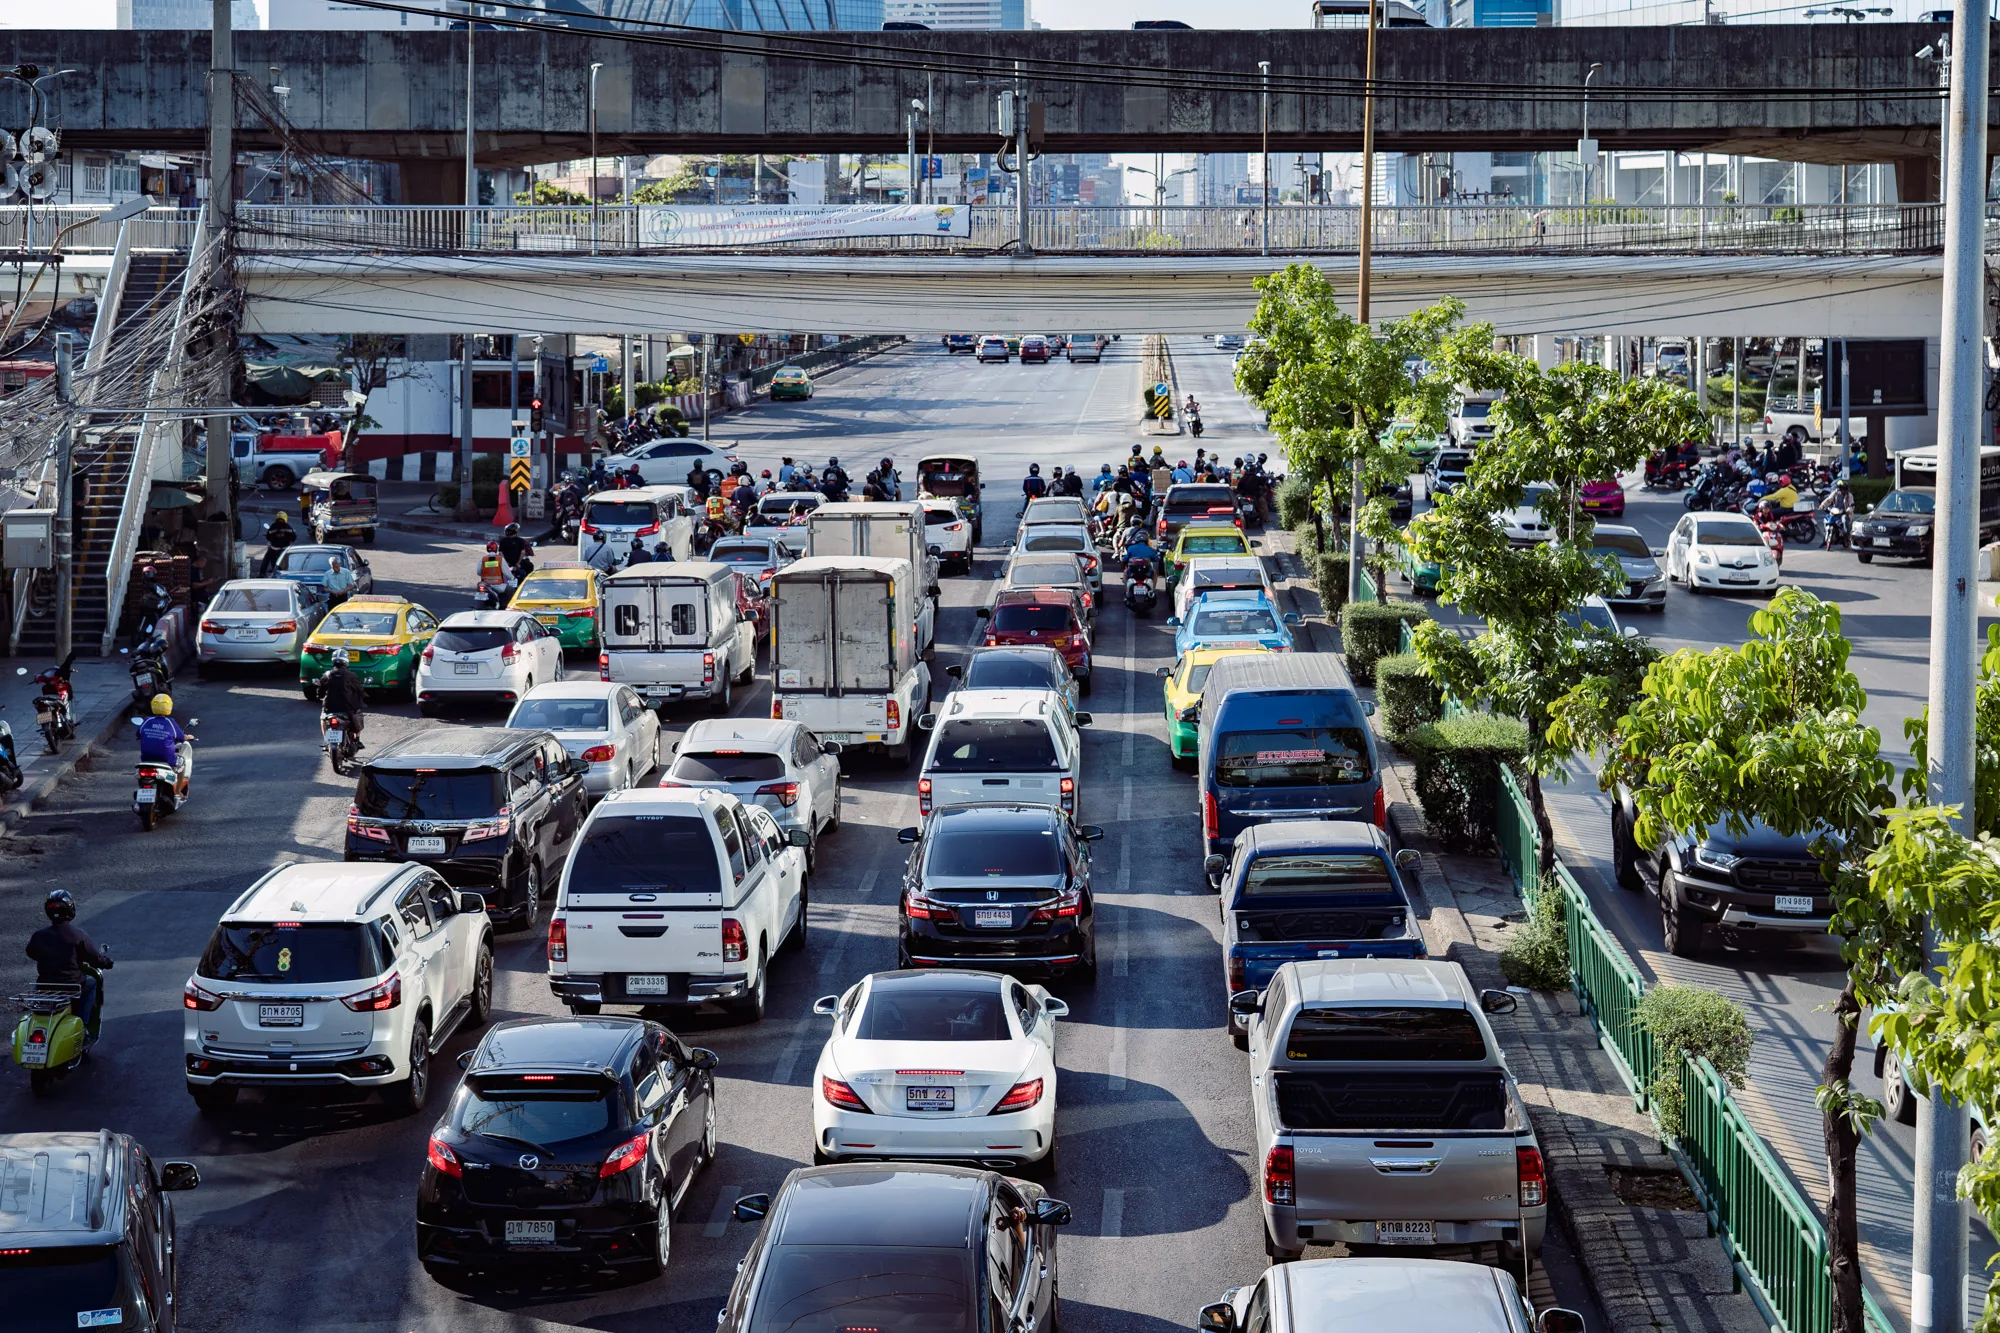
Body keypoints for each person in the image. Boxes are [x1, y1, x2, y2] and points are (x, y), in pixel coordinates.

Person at [25, 890, 113, 1041]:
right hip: (72, 984)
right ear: (70, 909)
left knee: (38, 994)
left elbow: (31, 952)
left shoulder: (39, 935)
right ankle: (84, 1026)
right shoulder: (78, 935)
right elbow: (95, 959)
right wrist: (107, 962)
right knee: (92, 984)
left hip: (45, 985)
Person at [137, 692, 193, 790]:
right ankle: (178, 792)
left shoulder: (147, 720)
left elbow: (138, 734)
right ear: (169, 707)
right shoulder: (170, 722)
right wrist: (188, 737)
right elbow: (181, 737)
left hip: (146, 758)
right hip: (167, 758)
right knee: (183, 763)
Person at [319, 648, 367, 747]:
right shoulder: (351, 675)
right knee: (358, 717)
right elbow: (360, 690)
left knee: (323, 718)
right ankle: (357, 740)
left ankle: (326, 741)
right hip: (348, 708)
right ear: (346, 661)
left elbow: (320, 691)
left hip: (330, 708)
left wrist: (319, 697)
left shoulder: (327, 675)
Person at [260, 511, 297, 577]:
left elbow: (268, 536)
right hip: (285, 548)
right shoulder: (288, 527)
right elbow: (294, 537)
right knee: (287, 560)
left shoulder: (273, 526)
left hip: (274, 548)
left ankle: (262, 574)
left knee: (266, 559)